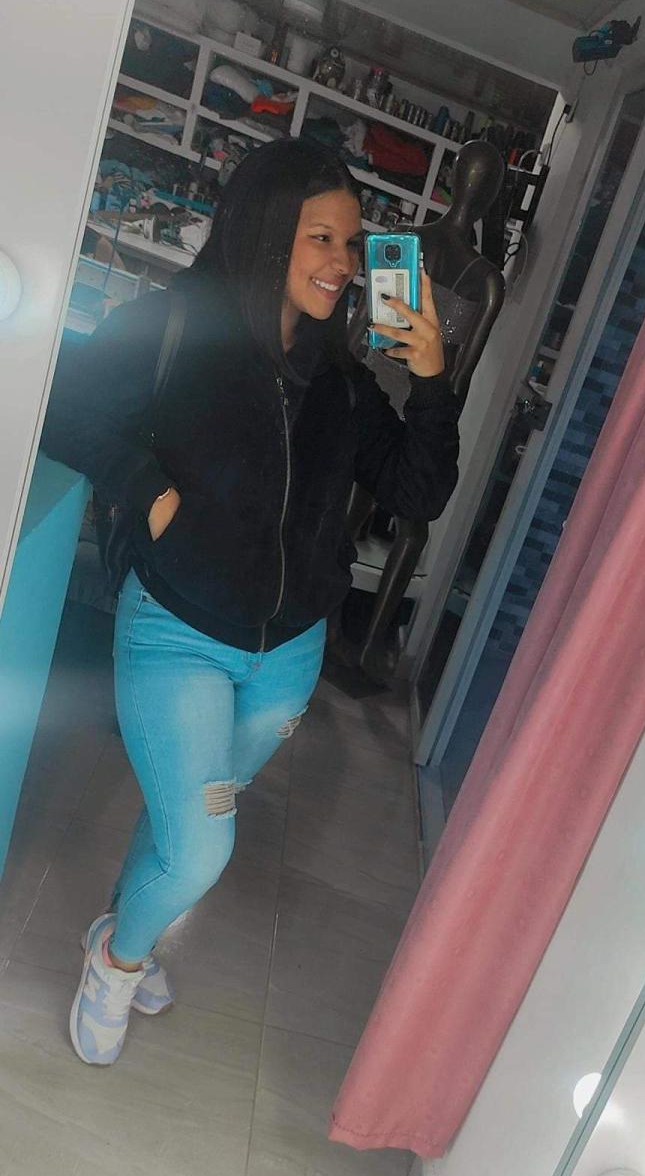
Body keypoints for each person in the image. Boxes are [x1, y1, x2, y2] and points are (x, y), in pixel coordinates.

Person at [42, 139, 460, 1067]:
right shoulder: (176, 326)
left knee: (184, 821)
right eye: (322, 237)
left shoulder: (341, 382)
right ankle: (115, 962)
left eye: (352, 244)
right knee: (202, 847)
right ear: (269, 229)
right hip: (177, 631)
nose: (343, 264)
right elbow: (68, 407)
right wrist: (149, 490)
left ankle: (125, 924)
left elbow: (417, 490)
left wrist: (432, 379)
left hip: (288, 655)